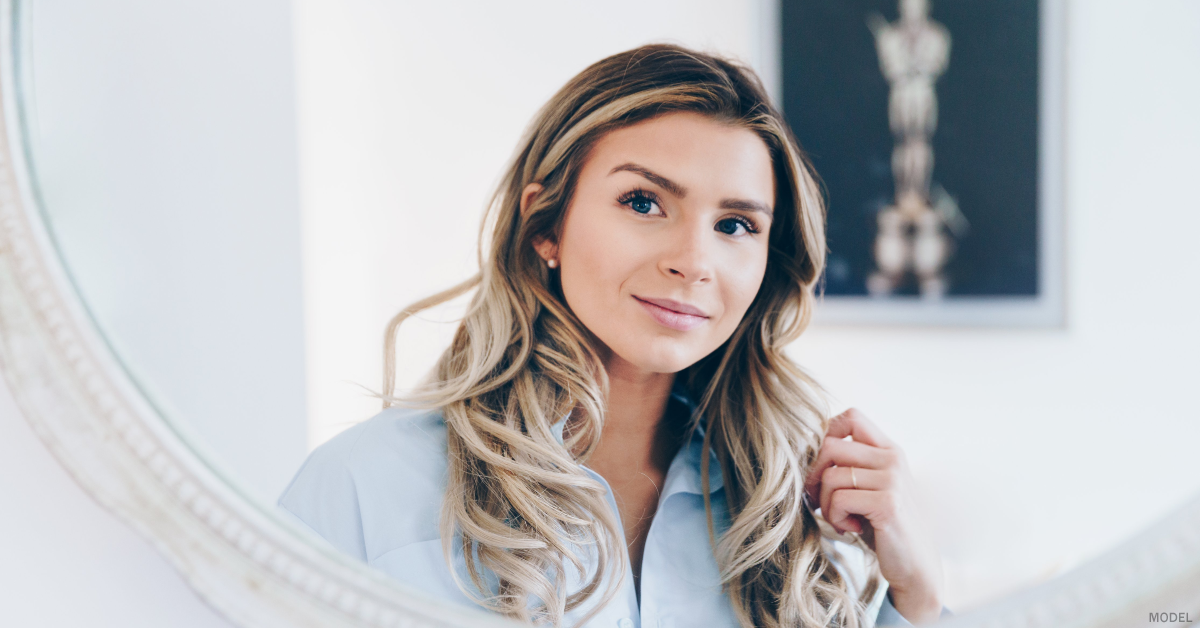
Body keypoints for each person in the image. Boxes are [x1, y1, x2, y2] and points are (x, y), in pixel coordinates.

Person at [278, 44, 952, 628]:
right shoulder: (363, 490)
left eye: (736, 224)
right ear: (545, 224)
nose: (693, 259)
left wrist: (917, 599)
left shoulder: (804, 517)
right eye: (643, 202)